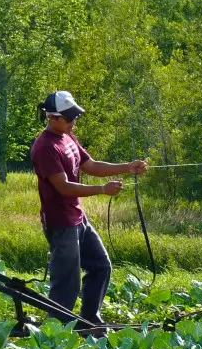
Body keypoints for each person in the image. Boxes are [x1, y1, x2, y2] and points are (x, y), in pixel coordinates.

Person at [30, 91, 147, 325]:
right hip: (61, 223)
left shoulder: (67, 137)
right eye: (69, 118)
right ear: (52, 117)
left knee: (101, 266)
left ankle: (89, 318)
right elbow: (63, 187)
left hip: (77, 218)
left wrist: (127, 167)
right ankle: (56, 331)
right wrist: (102, 190)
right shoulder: (45, 148)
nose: (74, 122)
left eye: (75, 117)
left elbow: (90, 165)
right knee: (67, 282)